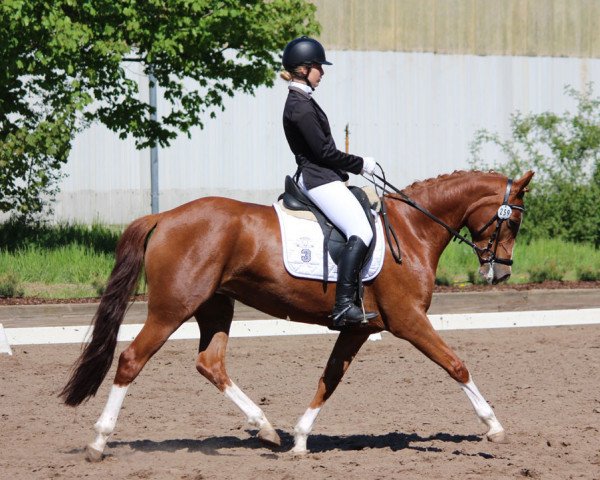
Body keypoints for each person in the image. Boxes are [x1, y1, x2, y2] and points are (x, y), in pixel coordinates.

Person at [281, 36, 378, 327]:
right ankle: (343, 306)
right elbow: (324, 152)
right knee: (361, 230)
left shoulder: (304, 101)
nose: (322, 73)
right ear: (304, 69)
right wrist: (361, 164)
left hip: (323, 176)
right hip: (318, 178)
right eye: (318, 68)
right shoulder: (299, 106)